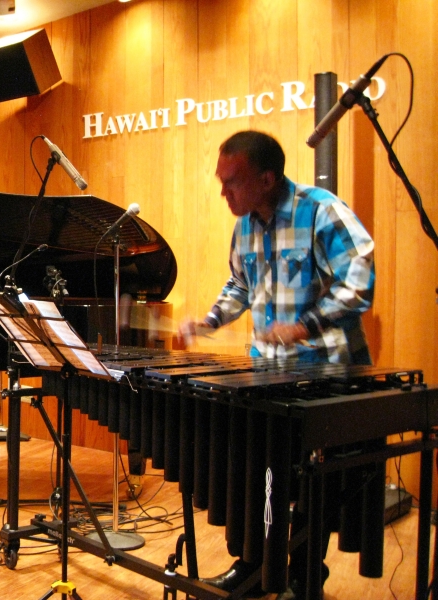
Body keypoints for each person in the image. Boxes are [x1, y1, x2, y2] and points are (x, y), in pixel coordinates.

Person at [180, 131, 375, 599]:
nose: (223, 192)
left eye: (232, 182)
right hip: (266, 373)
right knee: (259, 471)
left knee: (314, 483)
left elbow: (359, 281)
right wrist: (209, 321)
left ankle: (306, 576)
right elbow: (240, 285)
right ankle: (254, 566)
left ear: (266, 179)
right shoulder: (245, 225)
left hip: (324, 373)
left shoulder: (321, 211)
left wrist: (305, 326)